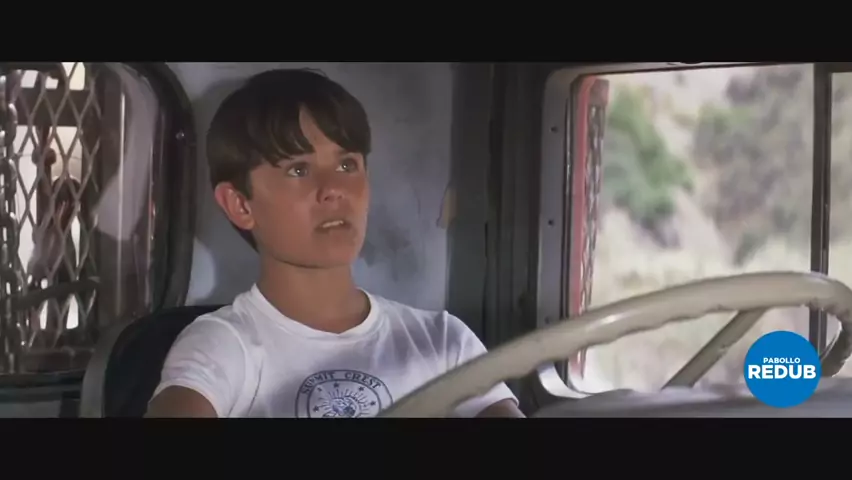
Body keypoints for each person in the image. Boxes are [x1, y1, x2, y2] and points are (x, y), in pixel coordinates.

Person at [146, 69, 524, 418]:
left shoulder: (442, 341)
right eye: (298, 170)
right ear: (240, 205)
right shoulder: (224, 345)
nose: (334, 189)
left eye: (347, 166)